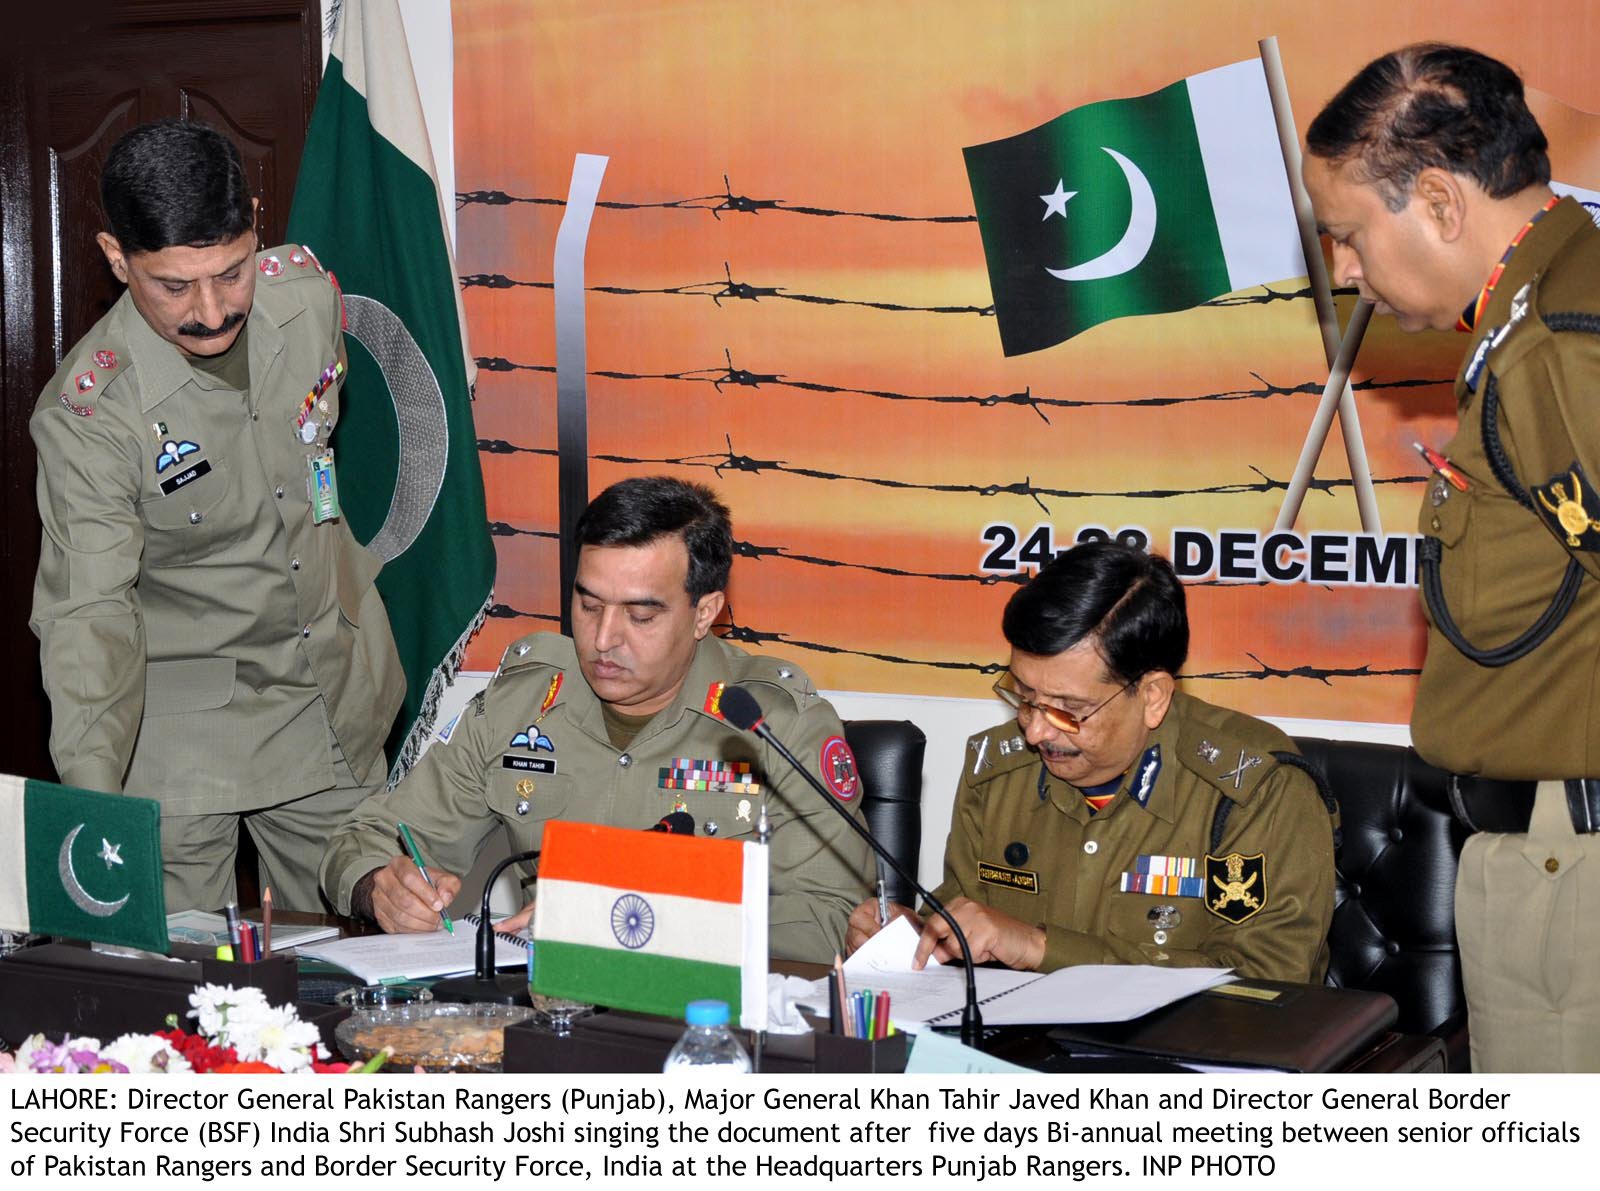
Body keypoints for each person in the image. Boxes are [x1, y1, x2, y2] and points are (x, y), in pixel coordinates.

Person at [1304, 44, 1600, 1072]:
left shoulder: (1559, 341)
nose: (1343, 269)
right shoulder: (1544, 304)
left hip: (1571, 861)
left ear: (1435, 201)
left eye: (1346, 236)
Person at [29, 119, 404, 913]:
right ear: (114, 257)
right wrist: (100, 810)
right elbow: (87, 615)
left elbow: (315, 475)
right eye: (173, 286)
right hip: (180, 731)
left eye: (232, 273)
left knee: (361, 967)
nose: (210, 311)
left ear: (257, 225)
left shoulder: (307, 301)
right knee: (181, 998)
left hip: (327, 696)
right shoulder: (93, 413)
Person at [321, 476, 873, 963]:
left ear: (705, 612)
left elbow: (833, 920)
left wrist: (628, 923)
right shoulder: (523, 704)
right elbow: (366, 836)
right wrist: (379, 886)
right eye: (588, 604)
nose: (604, 639)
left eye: (640, 614)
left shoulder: (772, 726)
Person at [846, 541, 1337, 982]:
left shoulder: (1258, 790)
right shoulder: (997, 773)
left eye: (1068, 711)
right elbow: (966, 921)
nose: (1035, 731)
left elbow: (1267, 985)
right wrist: (912, 937)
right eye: (1023, 697)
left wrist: (1042, 948)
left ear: (1153, 697)